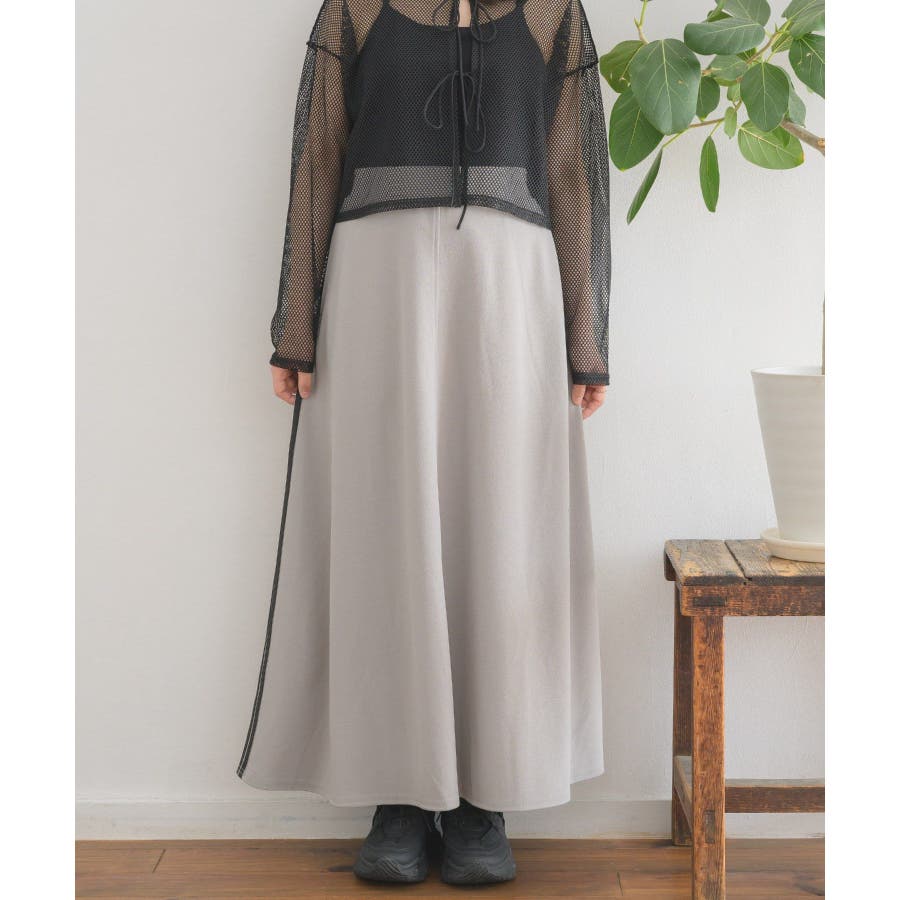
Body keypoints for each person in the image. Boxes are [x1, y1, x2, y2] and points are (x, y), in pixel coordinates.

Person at [237, 0, 610, 885]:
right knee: (386, 532)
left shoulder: (553, 12)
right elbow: (318, 158)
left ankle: (487, 794)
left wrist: (587, 338)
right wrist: (297, 328)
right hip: (379, 290)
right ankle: (398, 793)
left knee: (503, 532)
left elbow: (573, 174)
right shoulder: (355, 7)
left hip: (510, 295)